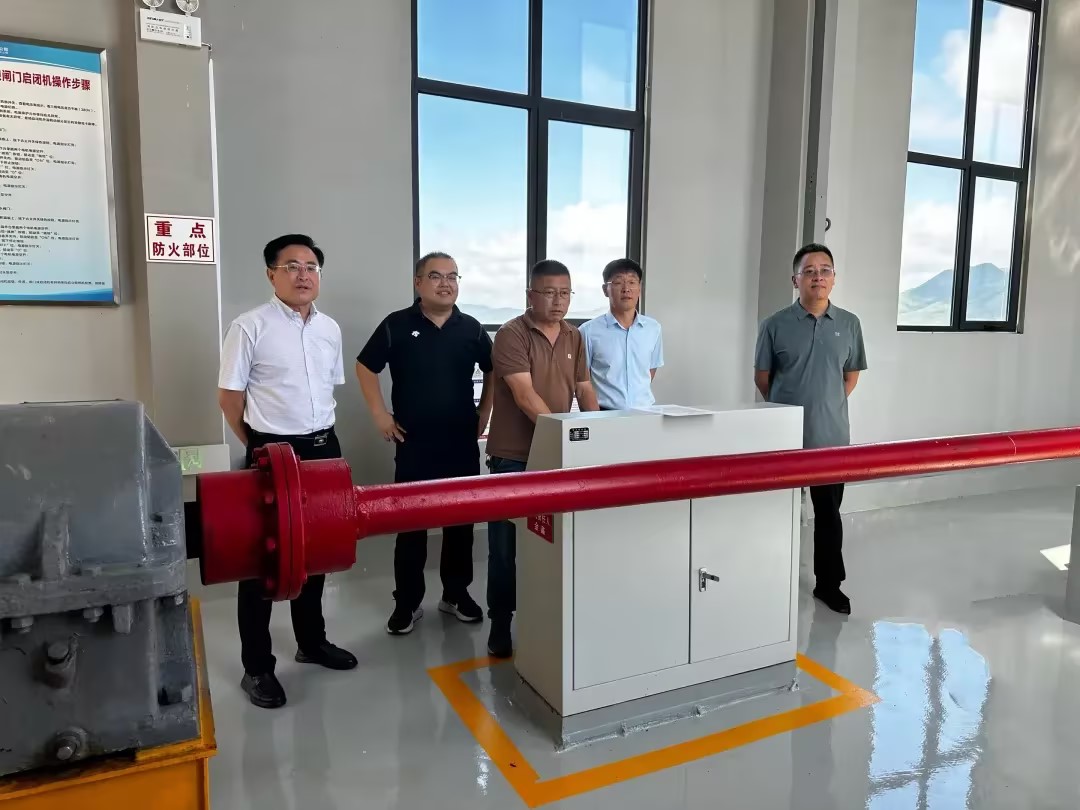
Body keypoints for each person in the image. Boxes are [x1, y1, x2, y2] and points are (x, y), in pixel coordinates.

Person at [218, 234, 358, 709]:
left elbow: (327, 388)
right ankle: (257, 667)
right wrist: (259, 447)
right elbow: (229, 399)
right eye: (292, 266)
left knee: (318, 549)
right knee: (259, 559)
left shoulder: (329, 329)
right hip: (272, 451)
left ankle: (311, 641)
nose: (303, 275)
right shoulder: (249, 326)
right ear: (271, 274)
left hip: (324, 447)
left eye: (311, 266)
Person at [356, 252, 494, 636]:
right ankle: (407, 602)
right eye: (436, 276)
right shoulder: (397, 324)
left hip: (460, 441)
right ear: (418, 283)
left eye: (452, 276)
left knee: (460, 522)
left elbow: (493, 368)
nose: (445, 283)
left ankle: (455, 594)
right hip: (414, 443)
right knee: (411, 524)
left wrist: (485, 410)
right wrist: (380, 414)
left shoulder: (471, 328)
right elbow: (365, 366)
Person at [485, 259, 600, 657]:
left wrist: (599, 433)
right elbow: (524, 395)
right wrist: (563, 434)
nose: (558, 301)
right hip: (513, 457)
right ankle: (500, 622)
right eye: (549, 292)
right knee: (505, 548)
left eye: (565, 293)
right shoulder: (511, 334)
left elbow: (584, 389)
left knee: (554, 543)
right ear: (530, 295)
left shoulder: (574, 336)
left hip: (559, 452)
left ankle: (547, 618)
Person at [754, 243, 867, 615]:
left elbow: (849, 378)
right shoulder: (774, 325)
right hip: (783, 438)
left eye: (824, 270)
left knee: (828, 515)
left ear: (833, 278)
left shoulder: (849, 324)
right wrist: (788, 409)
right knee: (776, 512)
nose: (817, 277)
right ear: (795, 280)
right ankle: (768, 577)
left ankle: (829, 585)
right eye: (809, 271)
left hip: (831, 438)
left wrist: (823, 404)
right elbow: (763, 378)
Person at [578, 258, 663, 410]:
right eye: (618, 282)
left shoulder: (653, 328)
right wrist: (594, 417)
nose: (626, 289)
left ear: (639, 288)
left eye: (632, 282)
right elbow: (582, 381)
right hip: (604, 413)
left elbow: (649, 371)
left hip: (645, 412)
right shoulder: (588, 331)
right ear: (605, 289)